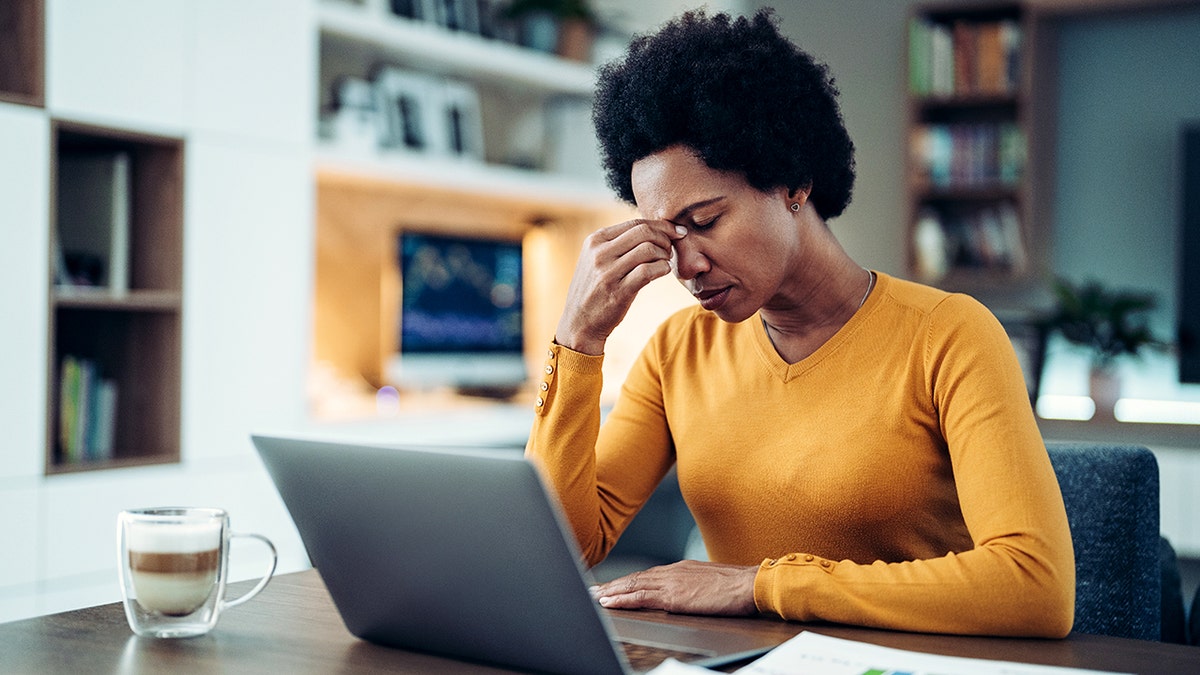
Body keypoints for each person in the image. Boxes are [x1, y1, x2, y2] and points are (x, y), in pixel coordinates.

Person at [524, 8, 1075, 638]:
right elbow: (562, 548)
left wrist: (760, 584)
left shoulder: (948, 335)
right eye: (668, 237)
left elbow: (1035, 586)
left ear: (793, 183)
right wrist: (577, 342)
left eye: (704, 221)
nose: (687, 264)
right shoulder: (680, 349)